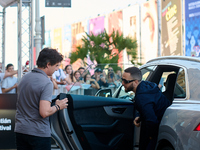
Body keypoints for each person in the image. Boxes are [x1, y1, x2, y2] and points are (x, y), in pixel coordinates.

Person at [14, 48, 68, 150]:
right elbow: (44, 112)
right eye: (56, 65)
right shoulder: (46, 83)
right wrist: (58, 106)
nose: (57, 69)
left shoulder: (24, 78)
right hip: (38, 133)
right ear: (48, 64)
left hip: (21, 130)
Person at [121, 67, 171, 150]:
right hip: (166, 122)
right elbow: (152, 109)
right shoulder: (147, 86)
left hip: (160, 128)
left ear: (136, 82)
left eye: (126, 81)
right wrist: (139, 117)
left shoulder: (142, 98)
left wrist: (151, 136)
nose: (122, 83)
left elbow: (152, 120)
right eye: (122, 79)